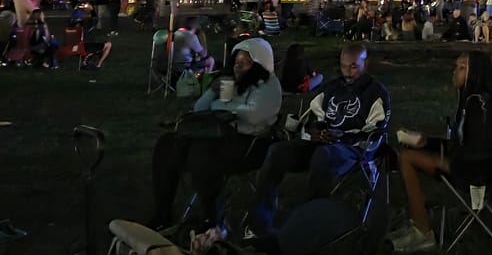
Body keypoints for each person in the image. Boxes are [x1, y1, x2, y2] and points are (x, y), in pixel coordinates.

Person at [248, 44, 390, 234]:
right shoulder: (332, 87)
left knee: (323, 156)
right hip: (320, 143)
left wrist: (343, 137)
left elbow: (376, 131)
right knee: (278, 151)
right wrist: (317, 130)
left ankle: (309, 225)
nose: (347, 72)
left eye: (354, 66)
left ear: (367, 63)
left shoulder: (376, 93)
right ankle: (260, 222)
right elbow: (315, 116)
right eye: (343, 66)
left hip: (353, 149)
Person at [149, 38, 283, 228]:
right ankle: (162, 214)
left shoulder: (268, 85)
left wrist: (223, 105)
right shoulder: (231, 81)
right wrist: (213, 91)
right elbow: (200, 109)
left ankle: (210, 217)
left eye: (247, 62)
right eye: (237, 62)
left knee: (202, 155)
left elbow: (254, 116)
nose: (240, 66)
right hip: (218, 135)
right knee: (167, 144)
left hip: (252, 143)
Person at [391, 51, 492, 253]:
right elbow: (466, 144)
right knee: (410, 150)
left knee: (406, 157)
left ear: (476, 73)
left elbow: (476, 150)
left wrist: (443, 159)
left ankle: (423, 232)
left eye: (462, 68)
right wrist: (427, 143)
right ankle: (418, 227)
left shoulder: (479, 105)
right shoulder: (482, 98)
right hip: (479, 165)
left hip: (476, 173)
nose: (455, 72)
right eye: (456, 67)